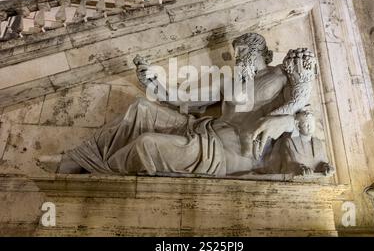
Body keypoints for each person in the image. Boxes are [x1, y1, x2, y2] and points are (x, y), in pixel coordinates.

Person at [38, 33, 316, 177]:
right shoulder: (230, 79)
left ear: (263, 54)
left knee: (146, 144)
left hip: (229, 151)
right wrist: (153, 83)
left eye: (247, 53)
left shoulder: (281, 76)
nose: (240, 57)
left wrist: (285, 121)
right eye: (238, 53)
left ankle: (101, 170)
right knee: (140, 107)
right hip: (203, 130)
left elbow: (303, 112)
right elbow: (182, 97)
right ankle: (76, 161)